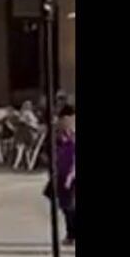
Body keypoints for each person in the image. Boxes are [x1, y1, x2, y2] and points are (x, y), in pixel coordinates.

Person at [52, 105, 76, 245]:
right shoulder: (60, 133)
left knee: (71, 206)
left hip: (71, 174)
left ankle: (71, 234)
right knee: (65, 206)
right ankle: (70, 234)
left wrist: (71, 175)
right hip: (62, 172)